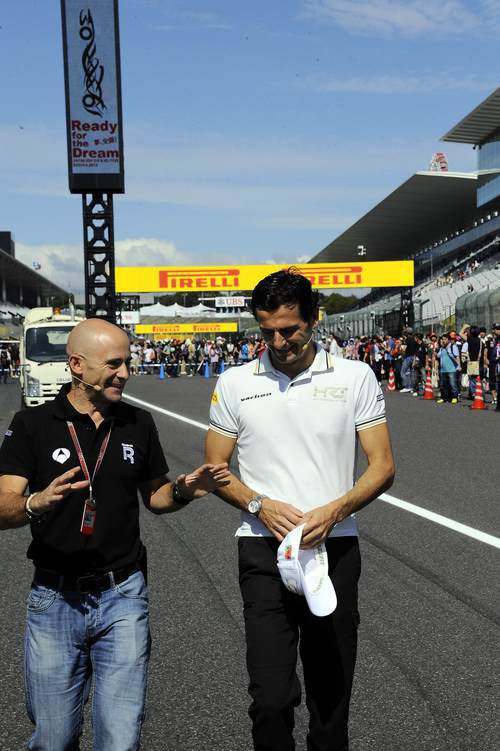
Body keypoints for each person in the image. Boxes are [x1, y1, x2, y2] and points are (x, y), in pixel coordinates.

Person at [0, 318, 229, 751]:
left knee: (120, 740)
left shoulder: (137, 423)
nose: (125, 372)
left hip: (123, 594)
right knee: (53, 739)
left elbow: (155, 496)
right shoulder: (32, 424)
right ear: (77, 366)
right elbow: (2, 505)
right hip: (54, 598)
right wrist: (34, 503)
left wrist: (184, 490)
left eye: (128, 361)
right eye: (114, 364)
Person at [205, 268, 395, 751]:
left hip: (334, 551)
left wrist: (334, 511)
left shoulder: (355, 376)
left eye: (289, 329)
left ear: (314, 319)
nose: (278, 340)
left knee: (330, 698)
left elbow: (382, 467)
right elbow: (215, 468)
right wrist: (259, 505)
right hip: (262, 554)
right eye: (267, 330)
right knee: (269, 697)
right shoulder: (234, 382)